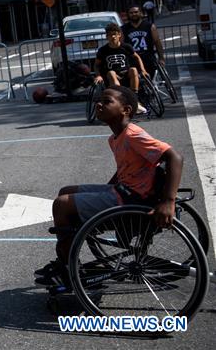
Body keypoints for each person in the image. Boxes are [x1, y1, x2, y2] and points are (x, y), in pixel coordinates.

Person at [34, 86, 182, 288]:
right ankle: (68, 257)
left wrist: (168, 201)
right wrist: (100, 192)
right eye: (99, 100)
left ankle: (69, 267)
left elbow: (175, 157)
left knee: (62, 205)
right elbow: (126, 169)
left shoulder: (133, 134)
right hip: (124, 191)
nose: (99, 104)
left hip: (133, 199)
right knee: (66, 191)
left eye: (107, 101)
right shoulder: (115, 138)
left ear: (126, 110)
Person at [94, 23, 148, 113]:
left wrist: (143, 70)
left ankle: (134, 99)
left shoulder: (126, 47)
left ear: (119, 35)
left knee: (133, 69)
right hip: (112, 76)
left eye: (115, 34)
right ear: (107, 37)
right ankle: (121, 99)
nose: (113, 37)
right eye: (110, 35)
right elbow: (96, 65)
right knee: (111, 73)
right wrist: (98, 75)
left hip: (126, 73)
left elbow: (137, 57)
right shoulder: (103, 50)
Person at [121, 4, 166, 77]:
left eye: (136, 12)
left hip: (148, 57)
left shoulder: (149, 26)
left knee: (150, 79)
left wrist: (161, 58)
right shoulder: (123, 29)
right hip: (133, 59)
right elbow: (121, 46)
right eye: (131, 13)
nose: (134, 14)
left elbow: (157, 42)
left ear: (141, 13)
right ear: (128, 15)